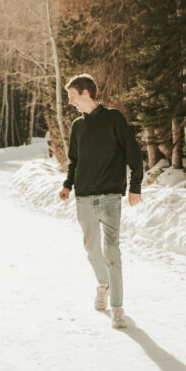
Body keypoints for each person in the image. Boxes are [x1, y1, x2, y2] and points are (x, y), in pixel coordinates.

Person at [58, 73, 143, 329]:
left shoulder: (113, 118)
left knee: (112, 251)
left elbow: (133, 153)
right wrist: (67, 184)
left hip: (109, 197)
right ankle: (103, 283)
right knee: (91, 249)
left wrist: (135, 186)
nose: (71, 102)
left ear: (86, 93)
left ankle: (117, 308)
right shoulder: (77, 126)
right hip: (83, 197)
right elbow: (75, 160)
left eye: (73, 96)